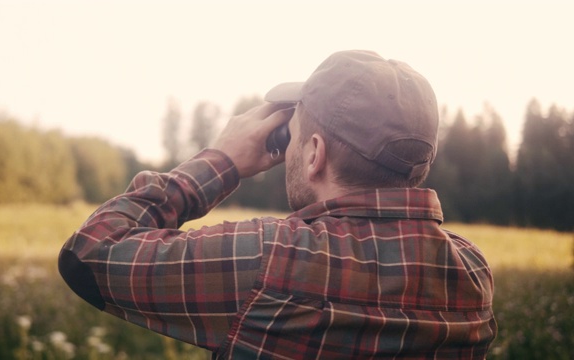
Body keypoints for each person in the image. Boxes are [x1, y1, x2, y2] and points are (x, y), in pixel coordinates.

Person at [59, 50, 497, 359]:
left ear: (314, 153)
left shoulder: (268, 260)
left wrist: (222, 160)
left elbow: (90, 253)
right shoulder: (473, 276)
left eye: (294, 135)